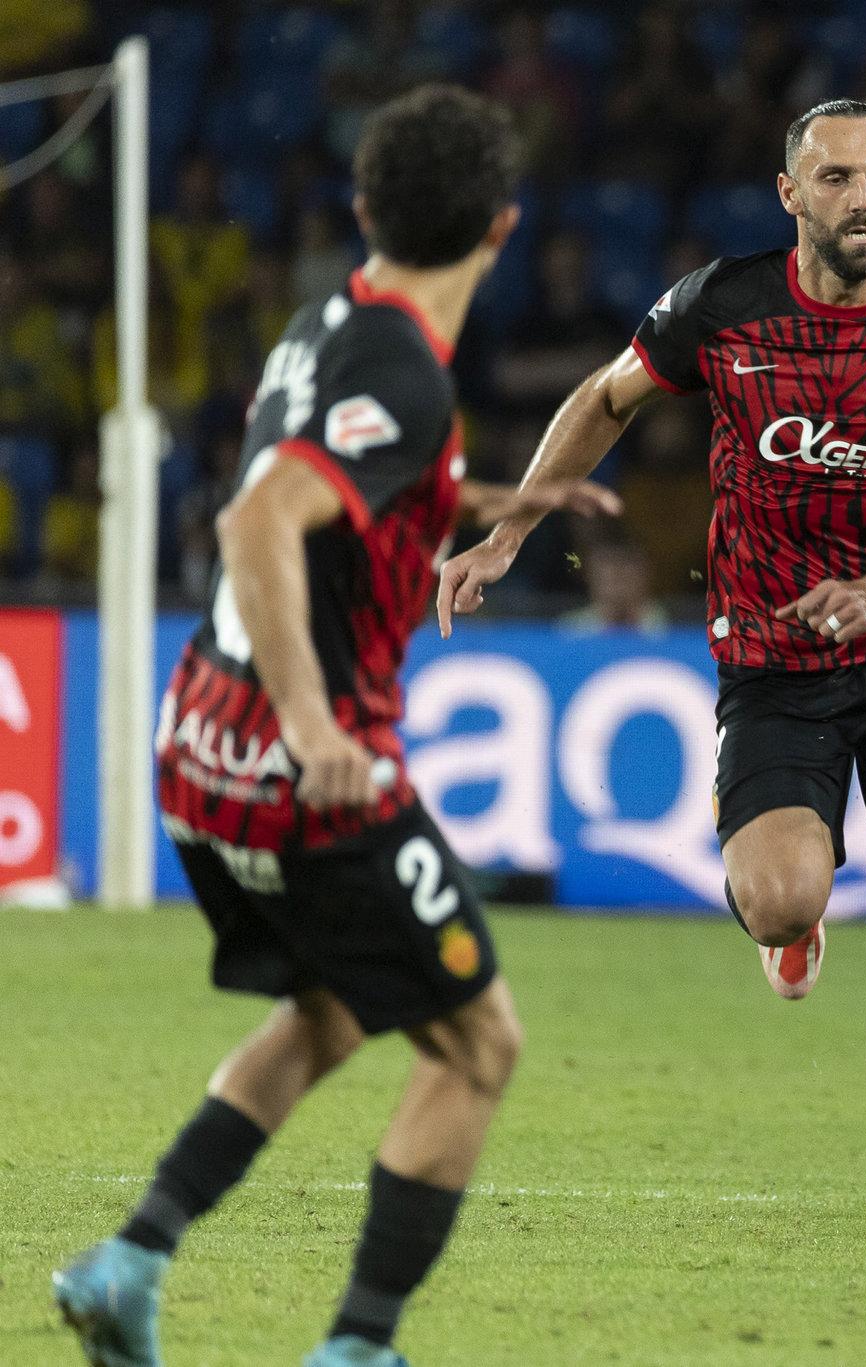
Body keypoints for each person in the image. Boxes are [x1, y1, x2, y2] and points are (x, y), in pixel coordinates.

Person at [52, 86, 616, 1367]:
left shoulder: (327, 325)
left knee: (333, 1009)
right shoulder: (408, 370)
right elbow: (257, 522)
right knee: (479, 1042)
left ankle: (128, 1259)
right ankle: (357, 1348)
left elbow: (312, 473)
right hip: (300, 760)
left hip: (197, 737)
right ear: (504, 228)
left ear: (363, 213)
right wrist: (311, 723)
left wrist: (489, 492)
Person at [438, 99, 866, 1226]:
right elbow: (606, 398)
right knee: (772, 899)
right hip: (773, 652)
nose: (864, 199)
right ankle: (796, 921)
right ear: (790, 193)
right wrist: (510, 531)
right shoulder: (723, 303)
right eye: (840, 178)